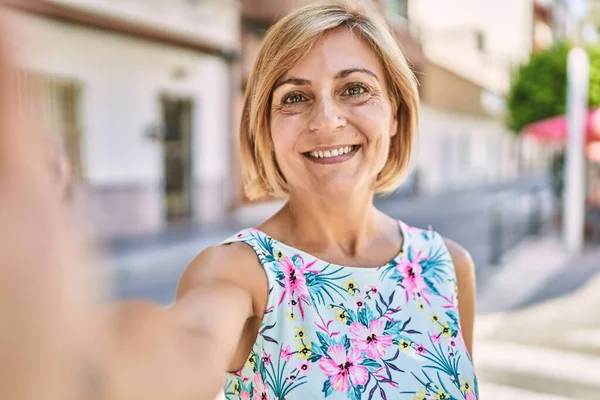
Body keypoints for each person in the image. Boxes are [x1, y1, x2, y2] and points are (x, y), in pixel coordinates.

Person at [0, 2, 477, 400]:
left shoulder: (449, 268)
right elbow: (188, 344)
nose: (326, 120)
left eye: (355, 90)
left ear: (395, 113)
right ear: (264, 129)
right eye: (294, 98)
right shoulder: (237, 273)